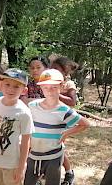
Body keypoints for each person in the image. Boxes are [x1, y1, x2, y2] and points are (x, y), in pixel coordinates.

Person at [25, 69, 90, 185]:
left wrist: (67, 133)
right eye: (45, 87)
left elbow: (85, 124)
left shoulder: (64, 110)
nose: (49, 91)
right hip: (33, 155)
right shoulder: (32, 106)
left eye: (54, 87)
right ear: (41, 88)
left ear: (61, 86)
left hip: (53, 156)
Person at [0, 68, 34, 185]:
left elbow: (26, 142)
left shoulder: (24, 112)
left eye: (16, 87)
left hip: (12, 164)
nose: (10, 89)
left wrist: (22, 166)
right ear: (1, 84)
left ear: (24, 90)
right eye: (7, 84)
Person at [50, 56, 79, 185]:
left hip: (63, 119)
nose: (53, 71)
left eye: (56, 69)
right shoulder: (51, 81)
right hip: (50, 117)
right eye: (52, 68)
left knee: (57, 146)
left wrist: (57, 95)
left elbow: (73, 102)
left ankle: (68, 172)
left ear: (64, 70)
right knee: (50, 145)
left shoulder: (68, 83)